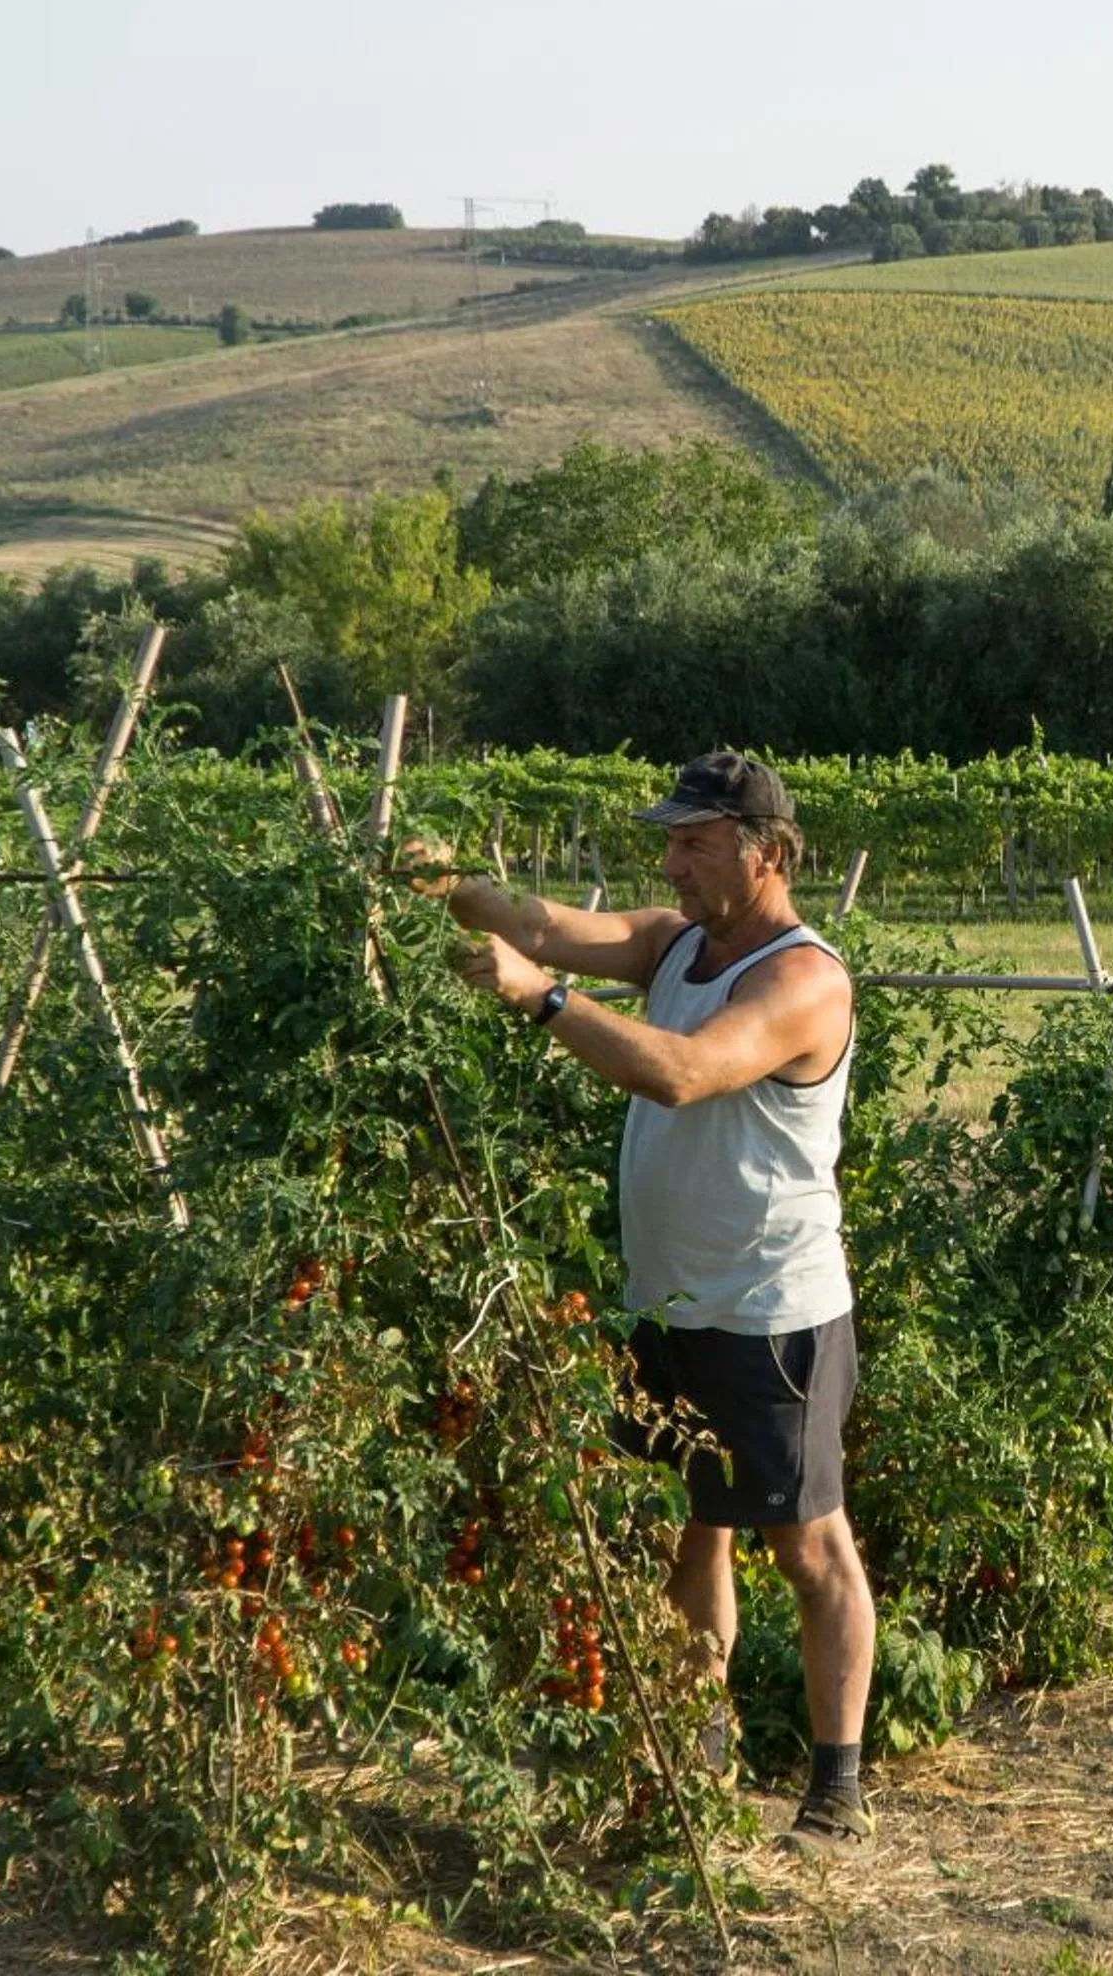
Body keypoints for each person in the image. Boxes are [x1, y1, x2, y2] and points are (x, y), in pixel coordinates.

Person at [423, 751, 878, 1855]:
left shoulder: (802, 979)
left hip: (773, 1313)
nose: (669, 861)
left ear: (765, 854)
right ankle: (696, 1760)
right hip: (671, 1308)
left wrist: (544, 1000)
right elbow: (546, 923)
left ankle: (836, 1791)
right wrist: (439, 880)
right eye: (668, 840)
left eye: (693, 842)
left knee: (809, 1546)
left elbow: (681, 1070)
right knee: (695, 1538)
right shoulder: (680, 943)